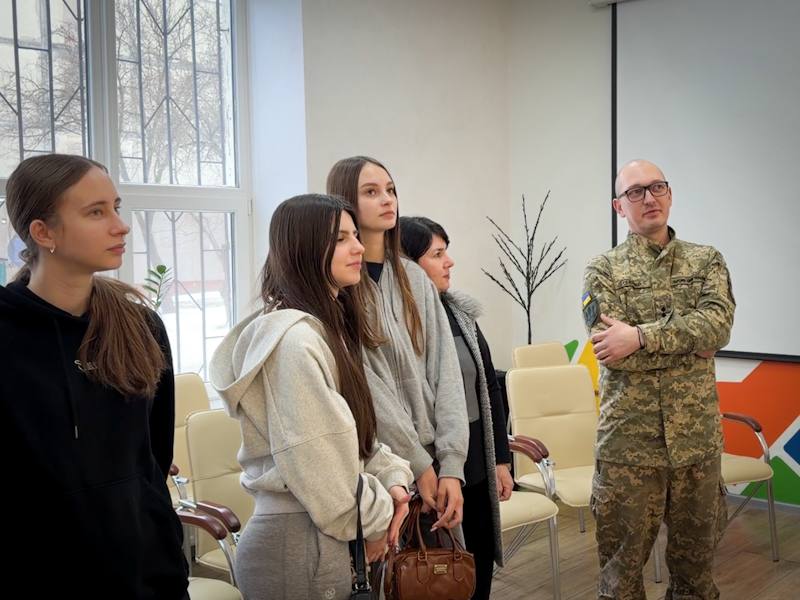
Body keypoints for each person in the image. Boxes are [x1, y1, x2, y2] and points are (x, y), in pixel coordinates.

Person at [0, 154, 188, 598]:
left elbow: (154, 456)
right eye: (96, 212)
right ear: (43, 232)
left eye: (116, 207)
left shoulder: (141, 327)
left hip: (148, 576)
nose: (121, 226)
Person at [209, 194, 414, 600]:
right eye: (340, 239)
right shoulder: (294, 342)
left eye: (355, 235)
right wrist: (377, 518)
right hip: (297, 545)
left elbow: (353, 440)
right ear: (303, 249)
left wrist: (393, 481)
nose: (359, 248)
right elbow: (326, 478)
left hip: (317, 538)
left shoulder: (324, 329)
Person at [582, 159, 735, 600]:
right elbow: (612, 354)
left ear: (670, 194)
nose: (649, 198)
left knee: (696, 580)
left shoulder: (706, 260)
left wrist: (639, 336)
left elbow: (718, 328)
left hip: (696, 445)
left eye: (657, 187)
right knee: (620, 580)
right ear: (619, 206)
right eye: (635, 191)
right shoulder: (603, 270)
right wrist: (690, 342)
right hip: (628, 449)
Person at [327, 156, 469, 534]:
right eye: (371, 192)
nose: (387, 199)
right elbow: (368, 389)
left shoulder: (414, 278)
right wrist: (418, 463)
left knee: (445, 566)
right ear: (346, 201)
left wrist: (451, 464)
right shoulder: (342, 289)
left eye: (390, 190)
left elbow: (446, 373)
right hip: (381, 468)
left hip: (438, 460)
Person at [399, 215, 514, 600]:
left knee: (478, 563)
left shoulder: (459, 313)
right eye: (437, 254)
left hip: (476, 457)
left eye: (446, 252)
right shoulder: (398, 323)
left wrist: (501, 459)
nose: (449, 262)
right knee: (438, 573)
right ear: (409, 265)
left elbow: (489, 387)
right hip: (431, 467)